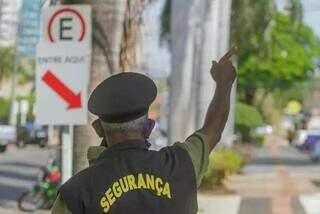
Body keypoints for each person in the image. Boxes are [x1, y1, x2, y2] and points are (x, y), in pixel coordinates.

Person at [51, 47, 237, 214]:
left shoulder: (75, 193)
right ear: (149, 128)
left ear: (98, 128)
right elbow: (214, 128)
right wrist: (224, 84)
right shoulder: (181, 164)